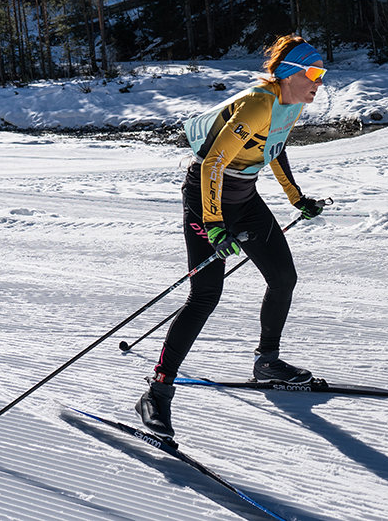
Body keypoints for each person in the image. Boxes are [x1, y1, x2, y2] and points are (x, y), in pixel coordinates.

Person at [136, 34, 329, 436]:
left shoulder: (292, 105)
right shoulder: (259, 105)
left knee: (283, 277)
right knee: (206, 294)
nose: (319, 81)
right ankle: (156, 392)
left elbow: (275, 150)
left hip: (243, 198)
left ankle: (267, 361)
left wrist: (297, 199)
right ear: (291, 74)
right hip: (206, 196)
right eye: (313, 72)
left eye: (321, 73)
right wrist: (213, 223)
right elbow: (212, 164)